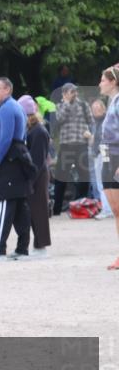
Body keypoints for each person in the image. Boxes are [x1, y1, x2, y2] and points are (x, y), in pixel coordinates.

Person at [0, 77, 34, 262]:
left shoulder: (7, 108)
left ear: (8, 90)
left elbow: (5, 138)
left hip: (9, 160)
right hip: (18, 159)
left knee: (4, 203)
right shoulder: (15, 106)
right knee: (19, 205)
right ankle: (22, 249)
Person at [51, 83, 93, 216]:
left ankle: (82, 206)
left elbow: (91, 121)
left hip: (81, 144)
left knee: (84, 176)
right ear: (64, 94)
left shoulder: (83, 105)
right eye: (71, 92)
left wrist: (90, 133)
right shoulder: (59, 106)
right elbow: (59, 120)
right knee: (60, 178)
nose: (74, 94)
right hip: (66, 146)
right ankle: (57, 209)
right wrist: (67, 103)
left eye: (75, 91)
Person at [19, 96, 51, 259]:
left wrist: (29, 180)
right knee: (34, 211)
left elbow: (37, 160)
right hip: (34, 175)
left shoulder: (38, 131)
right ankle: (38, 245)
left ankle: (41, 245)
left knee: (39, 211)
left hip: (37, 176)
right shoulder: (32, 129)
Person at [97, 65, 119, 269]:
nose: (99, 84)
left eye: (103, 80)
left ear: (113, 82)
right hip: (107, 155)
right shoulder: (111, 101)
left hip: (116, 156)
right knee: (116, 210)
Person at [89, 99, 113, 219]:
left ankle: (107, 210)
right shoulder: (96, 122)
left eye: (98, 108)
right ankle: (109, 209)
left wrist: (105, 158)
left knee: (102, 182)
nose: (95, 111)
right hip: (99, 154)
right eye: (94, 109)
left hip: (103, 153)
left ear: (103, 109)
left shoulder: (105, 120)